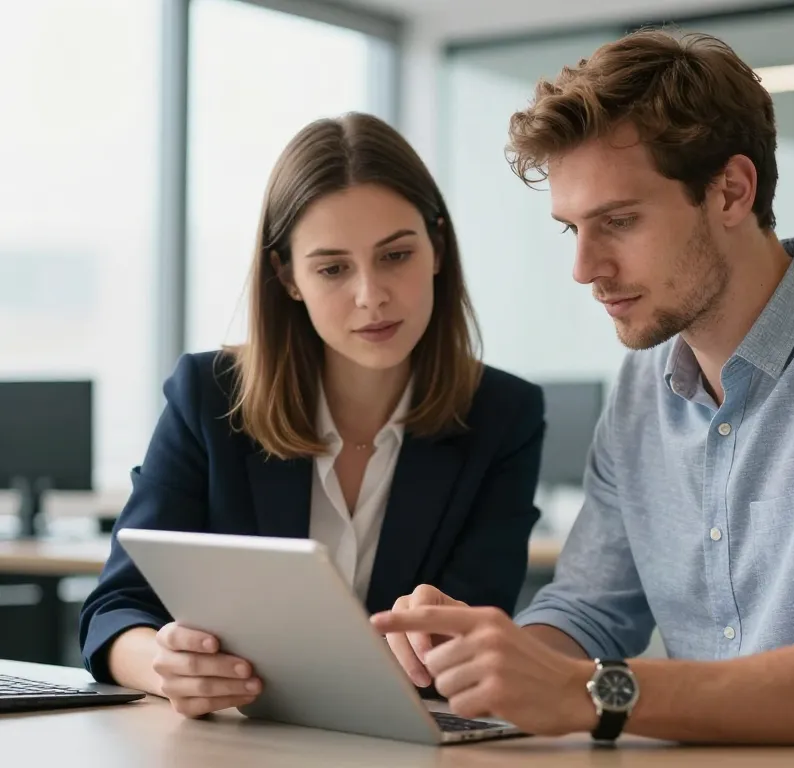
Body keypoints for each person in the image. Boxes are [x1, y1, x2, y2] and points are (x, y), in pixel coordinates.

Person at [370, 30, 794, 755]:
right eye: (571, 230)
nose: (585, 269)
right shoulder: (645, 386)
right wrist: (478, 660)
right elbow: (589, 612)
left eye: (618, 221)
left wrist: (593, 693)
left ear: (732, 192)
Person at [79, 113, 545, 719]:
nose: (371, 295)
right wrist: (165, 666)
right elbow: (116, 609)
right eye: (332, 268)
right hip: (234, 747)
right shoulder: (209, 396)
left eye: (396, 255)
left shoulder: (503, 416)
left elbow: (475, 630)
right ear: (287, 276)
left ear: (436, 248)